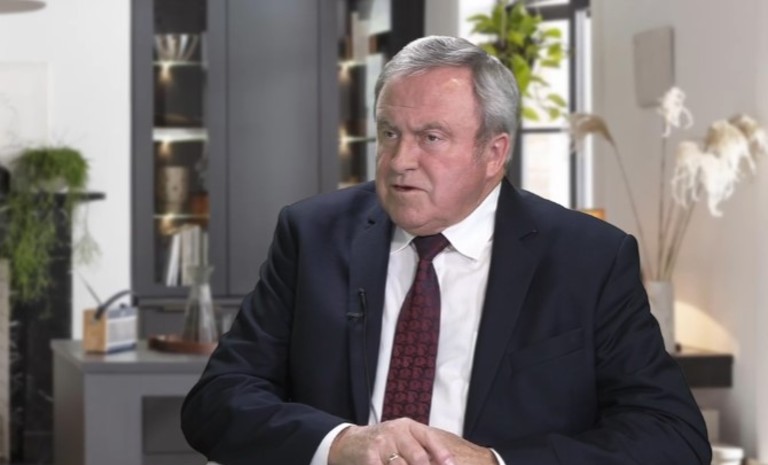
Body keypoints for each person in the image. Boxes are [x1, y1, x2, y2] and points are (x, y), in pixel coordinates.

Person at [181, 36, 710, 465]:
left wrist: (496, 463)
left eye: (431, 137)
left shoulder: (588, 258)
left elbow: (672, 435)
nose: (399, 161)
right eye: (389, 133)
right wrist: (340, 444)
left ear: (494, 153)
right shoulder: (312, 234)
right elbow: (217, 400)